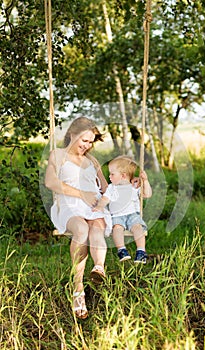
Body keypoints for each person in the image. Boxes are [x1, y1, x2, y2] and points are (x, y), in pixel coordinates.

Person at [44, 116, 112, 319]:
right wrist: (82, 193)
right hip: (69, 204)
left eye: (91, 142)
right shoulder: (58, 155)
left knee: (96, 229)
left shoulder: (92, 160)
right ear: (72, 134)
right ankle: (78, 288)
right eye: (84, 140)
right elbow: (50, 182)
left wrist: (126, 191)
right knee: (81, 230)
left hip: (93, 205)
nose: (87, 146)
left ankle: (99, 268)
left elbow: (106, 188)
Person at [93, 156, 152, 264]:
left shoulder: (134, 186)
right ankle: (122, 250)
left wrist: (145, 181)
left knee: (138, 228)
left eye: (112, 174)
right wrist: (99, 207)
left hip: (133, 215)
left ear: (123, 176)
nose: (109, 176)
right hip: (117, 216)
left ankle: (141, 251)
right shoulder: (111, 188)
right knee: (117, 229)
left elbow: (147, 194)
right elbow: (105, 199)